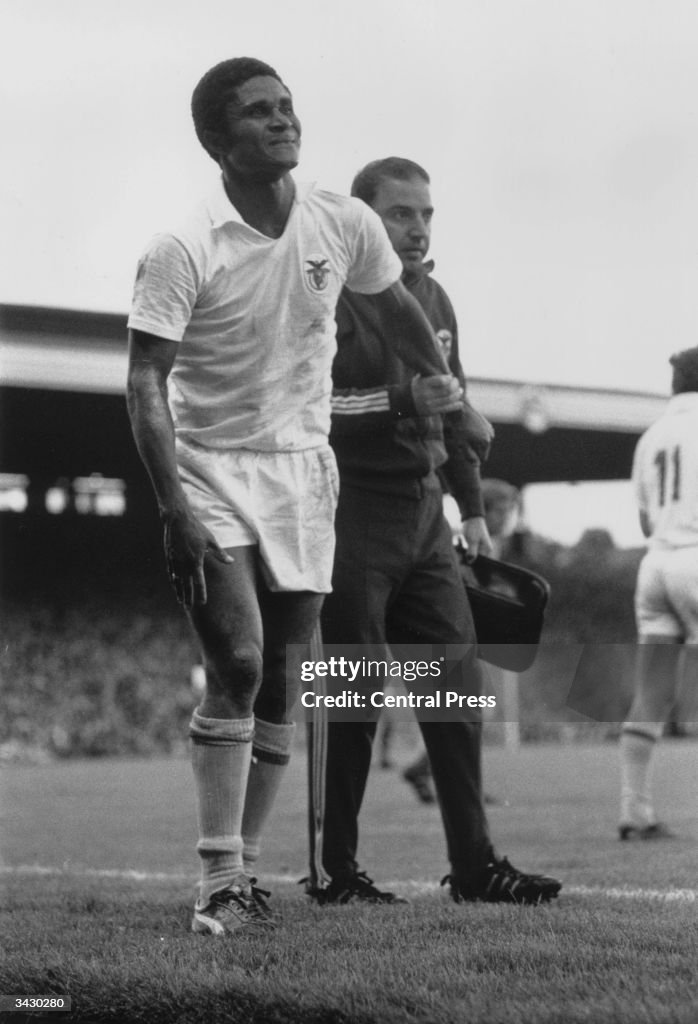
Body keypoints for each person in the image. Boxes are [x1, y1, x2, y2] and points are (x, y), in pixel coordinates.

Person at [126, 61, 459, 937]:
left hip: (304, 471)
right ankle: (218, 879)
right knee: (238, 661)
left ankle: (243, 869)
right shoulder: (183, 246)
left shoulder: (340, 221)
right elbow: (144, 382)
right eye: (257, 112)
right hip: (210, 465)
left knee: (283, 676)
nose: (282, 121)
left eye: (286, 106)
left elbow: (396, 310)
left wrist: (446, 386)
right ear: (215, 139)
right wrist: (172, 508)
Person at [306, 157, 562, 906]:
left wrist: (471, 508)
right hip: (351, 510)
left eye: (425, 215)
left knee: (456, 689)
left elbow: (453, 408)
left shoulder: (435, 297)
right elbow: (310, 408)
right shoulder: (327, 292)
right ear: (363, 219)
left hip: (424, 517)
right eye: (400, 214)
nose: (417, 229)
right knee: (352, 695)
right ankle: (334, 871)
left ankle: (474, 868)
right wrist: (401, 400)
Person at [619, 345, 698, 840]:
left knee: (652, 694)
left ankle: (634, 810)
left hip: (655, 566)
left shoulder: (652, 435)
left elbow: (645, 520)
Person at [402, 477, 522, 803]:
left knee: (465, 712)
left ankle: (427, 770)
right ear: (485, 510)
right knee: (470, 712)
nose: (509, 518)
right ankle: (453, 784)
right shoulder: (461, 544)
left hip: (459, 639)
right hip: (447, 638)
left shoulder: (483, 544)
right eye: (504, 510)